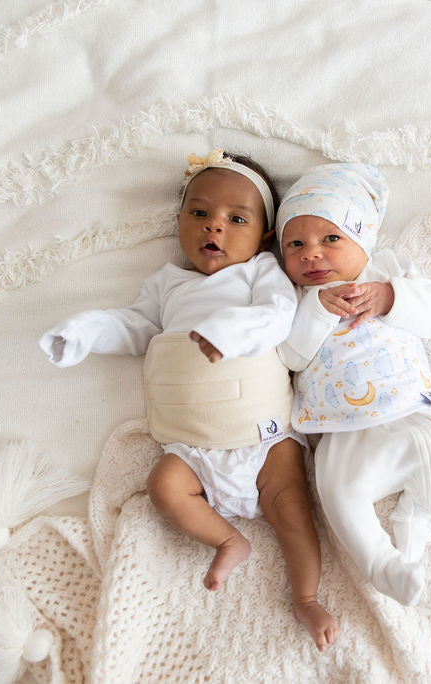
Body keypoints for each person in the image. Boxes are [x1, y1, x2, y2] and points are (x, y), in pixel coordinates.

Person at [39, 150, 338, 651]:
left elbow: (277, 316)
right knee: (164, 487)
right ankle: (226, 539)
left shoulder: (260, 273)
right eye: (199, 213)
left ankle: (306, 595)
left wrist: (228, 330)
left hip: (260, 435)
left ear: (264, 235)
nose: (213, 228)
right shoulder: (166, 284)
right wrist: (88, 331)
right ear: (179, 220)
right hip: (191, 446)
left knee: (293, 511)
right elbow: (136, 327)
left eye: (235, 219)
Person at [275, 162, 431, 607]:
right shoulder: (295, 300)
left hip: (407, 409)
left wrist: (390, 296)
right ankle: (383, 566)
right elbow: (290, 355)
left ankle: (418, 520)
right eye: (296, 244)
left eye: (330, 239)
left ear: (362, 240)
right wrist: (319, 311)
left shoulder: (385, 269)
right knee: (337, 493)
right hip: (344, 427)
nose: (311, 254)